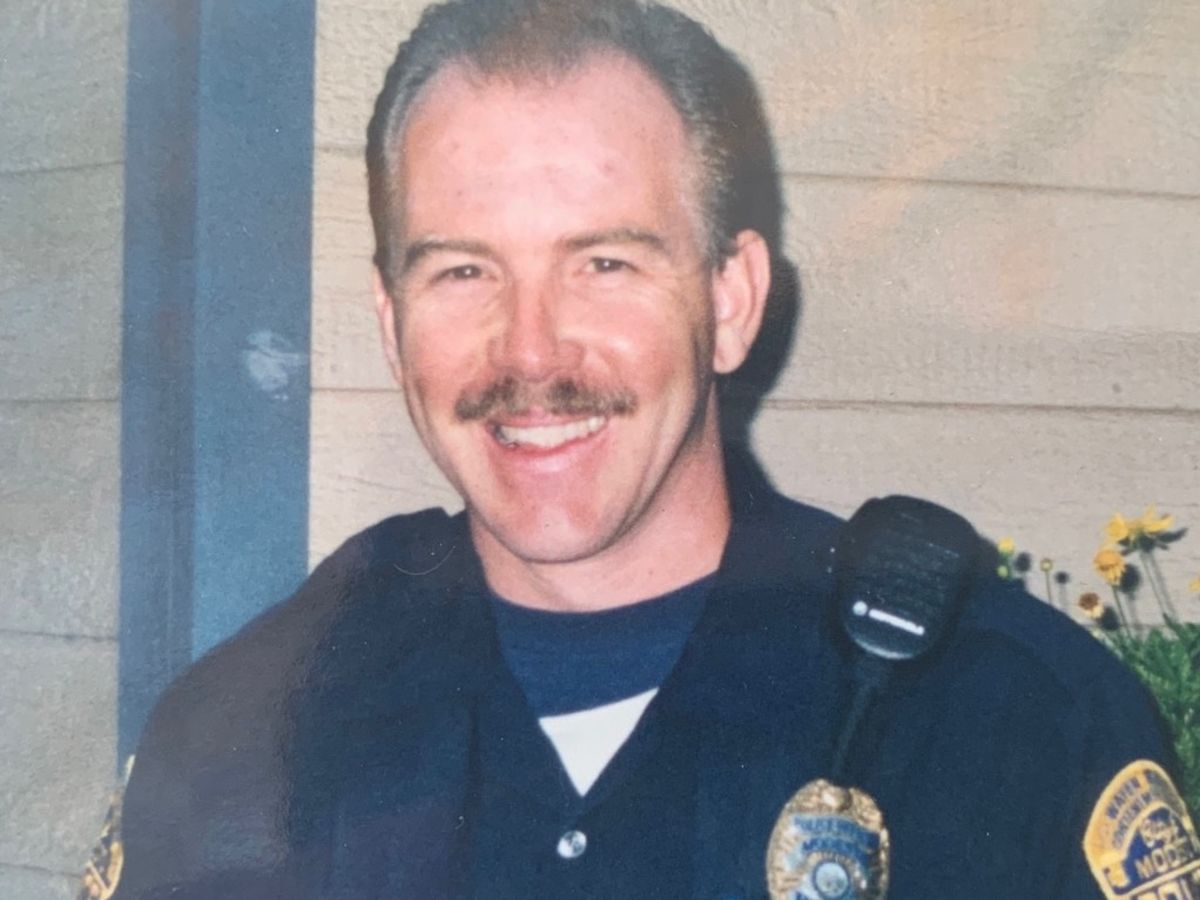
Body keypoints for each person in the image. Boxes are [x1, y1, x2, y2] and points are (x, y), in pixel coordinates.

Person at [109, 1, 1194, 898]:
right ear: (391, 327)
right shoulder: (244, 734)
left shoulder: (1011, 724)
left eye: (606, 264)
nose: (531, 351)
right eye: (463, 272)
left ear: (731, 301)